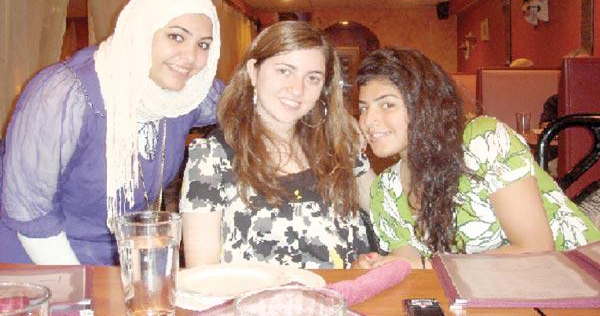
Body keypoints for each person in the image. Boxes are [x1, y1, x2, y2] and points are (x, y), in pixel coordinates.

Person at [0, 0, 223, 265]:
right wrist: (81, 287)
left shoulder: (186, 97)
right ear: (141, 30)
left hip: (121, 257)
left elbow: (245, 103)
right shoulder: (66, 92)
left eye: (203, 45)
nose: (191, 57)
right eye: (176, 37)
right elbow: (29, 210)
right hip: (39, 258)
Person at [354, 48, 600, 270]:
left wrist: (426, 266)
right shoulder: (385, 193)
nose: (368, 120)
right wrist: (381, 268)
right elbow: (413, 270)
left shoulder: (483, 140)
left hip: (576, 279)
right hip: (492, 296)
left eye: (387, 105)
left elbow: (535, 249)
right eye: (363, 107)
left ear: (426, 105)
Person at [180, 21, 373, 269]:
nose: (297, 89)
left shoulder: (340, 147)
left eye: (313, 78)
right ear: (253, 71)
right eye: (284, 71)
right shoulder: (212, 158)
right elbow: (203, 273)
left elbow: (390, 216)